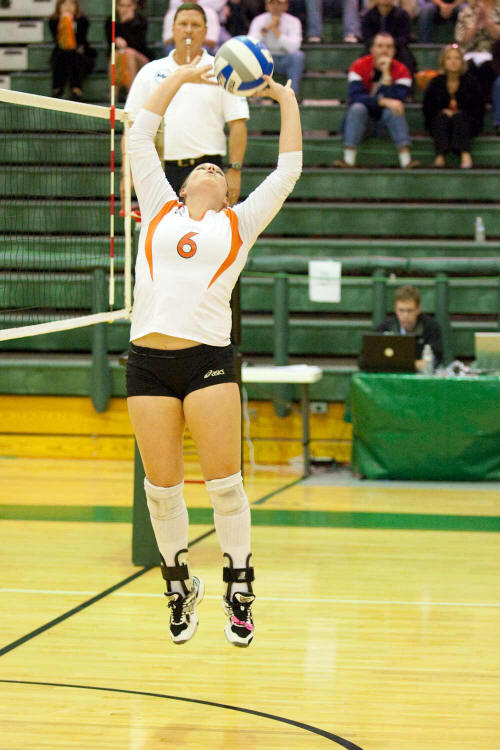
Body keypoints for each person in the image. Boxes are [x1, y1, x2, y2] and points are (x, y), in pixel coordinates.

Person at [126, 61, 302, 646]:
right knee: (161, 489)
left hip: (207, 361)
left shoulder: (240, 222)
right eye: (200, 165)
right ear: (180, 187)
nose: (210, 166)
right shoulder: (158, 207)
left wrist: (284, 99)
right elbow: (140, 134)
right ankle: (179, 587)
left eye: (219, 167)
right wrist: (181, 77)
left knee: (224, 484)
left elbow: (288, 169)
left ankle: (239, 590)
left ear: (229, 189)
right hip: (147, 363)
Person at [123, 3, 249, 204]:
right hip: (161, 171)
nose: (189, 30)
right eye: (183, 24)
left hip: (208, 170)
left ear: (205, 31)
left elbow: (238, 123)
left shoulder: (223, 71)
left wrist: (235, 170)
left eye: (195, 25)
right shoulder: (150, 72)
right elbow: (131, 126)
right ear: (172, 29)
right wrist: (128, 172)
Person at [333, 32, 419, 167]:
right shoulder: (358, 66)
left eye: (389, 47)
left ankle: (406, 161)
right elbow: (356, 97)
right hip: (361, 123)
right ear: (372, 49)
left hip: (388, 125)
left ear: (394, 51)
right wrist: (382, 101)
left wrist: (386, 74)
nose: (384, 50)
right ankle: (348, 160)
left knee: (393, 109)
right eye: (380, 46)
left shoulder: (402, 71)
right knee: (357, 108)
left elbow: (396, 100)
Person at [423, 43, 485, 167]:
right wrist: (444, 111)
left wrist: (459, 112)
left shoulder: (471, 82)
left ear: (462, 61)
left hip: (466, 122)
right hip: (440, 122)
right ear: (443, 62)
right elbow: (428, 108)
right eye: (449, 58)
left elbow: (478, 108)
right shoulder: (436, 83)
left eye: (457, 58)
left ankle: (465, 154)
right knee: (441, 118)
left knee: (459, 118)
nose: (453, 62)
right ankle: (440, 156)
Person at [455, 0, 500, 135]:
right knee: (469, 71)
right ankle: (470, 123)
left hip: (495, 56)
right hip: (470, 55)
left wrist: (487, 22)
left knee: (489, 69)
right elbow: (461, 41)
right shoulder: (466, 12)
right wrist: (475, 26)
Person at [374, 285, 443, 369]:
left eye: (409, 311)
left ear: (418, 309)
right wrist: (411, 364)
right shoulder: (385, 327)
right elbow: (365, 359)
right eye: (401, 310)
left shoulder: (431, 328)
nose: (405, 315)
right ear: (395, 310)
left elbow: (436, 358)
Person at [248, 0, 305, 98]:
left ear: (286, 6)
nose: (275, 6)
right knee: (252, 57)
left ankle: (291, 97)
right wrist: (265, 29)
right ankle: (255, 95)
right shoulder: (258, 20)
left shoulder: (294, 21)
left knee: (298, 56)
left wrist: (276, 31)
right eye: (272, 3)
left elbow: (294, 47)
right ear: (266, 5)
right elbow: (249, 45)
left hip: (285, 58)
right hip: (265, 60)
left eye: (279, 3)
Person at [48, 0, 96, 100]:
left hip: (80, 55)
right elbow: (59, 42)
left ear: (76, 6)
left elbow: (79, 42)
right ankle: (58, 89)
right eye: (64, 4)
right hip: (61, 55)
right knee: (62, 54)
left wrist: (70, 24)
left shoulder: (83, 21)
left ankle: (76, 89)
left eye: (71, 4)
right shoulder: (53, 21)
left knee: (73, 55)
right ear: (59, 7)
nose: (68, 7)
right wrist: (64, 24)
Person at [105, 0, 152, 96]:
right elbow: (111, 46)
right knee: (116, 55)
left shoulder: (141, 21)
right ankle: (114, 95)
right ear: (117, 6)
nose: (125, 9)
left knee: (129, 53)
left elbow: (138, 45)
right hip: (119, 56)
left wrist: (125, 23)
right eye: (122, 6)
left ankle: (132, 95)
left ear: (134, 6)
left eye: (128, 6)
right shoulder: (111, 21)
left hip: (140, 58)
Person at [361, 0, 417, 77]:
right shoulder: (368, 16)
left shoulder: (402, 15)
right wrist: (379, 46)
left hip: (397, 48)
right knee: (365, 59)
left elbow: (404, 37)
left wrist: (390, 45)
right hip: (375, 49)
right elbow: (367, 38)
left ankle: (406, 82)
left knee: (406, 57)